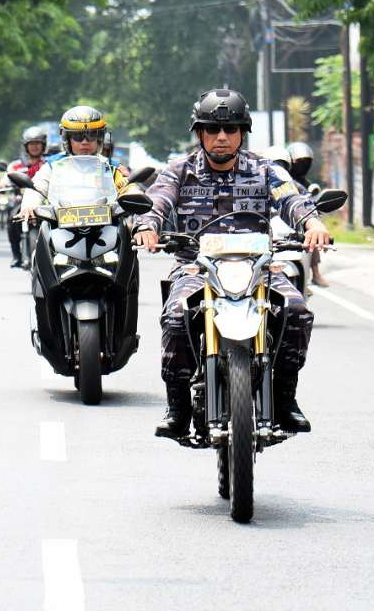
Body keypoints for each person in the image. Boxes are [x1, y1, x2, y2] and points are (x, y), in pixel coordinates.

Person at [133, 89, 330, 437]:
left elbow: (291, 199)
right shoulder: (179, 171)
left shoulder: (264, 169)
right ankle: (177, 405)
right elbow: (157, 202)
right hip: (197, 268)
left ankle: (286, 399)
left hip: (258, 269)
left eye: (231, 129)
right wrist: (147, 227)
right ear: (199, 133)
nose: (222, 137)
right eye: (212, 129)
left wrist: (312, 224)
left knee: (297, 310)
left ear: (242, 133)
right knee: (176, 316)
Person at [19, 106, 131, 219]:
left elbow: (129, 188)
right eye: (78, 136)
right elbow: (37, 187)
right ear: (67, 139)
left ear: (99, 138)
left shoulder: (111, 166)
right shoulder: (53, 165)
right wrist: (29, 206)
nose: (85, 142)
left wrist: (135, 195)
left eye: (91, 135)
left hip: (106, 227)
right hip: (59, 227)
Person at [287, 141, 329, 287]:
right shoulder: (279, 180)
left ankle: (315, 273)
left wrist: (314, 221)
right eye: (299, 161)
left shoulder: (306, 184)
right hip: (278, 223)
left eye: (306, 162)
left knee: (312, 237)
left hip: (299, 222)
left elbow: (311, 202)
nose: (302, 165)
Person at [5, 125, 47, 267]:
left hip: (45, 203)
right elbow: (5, 180)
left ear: (43, 145)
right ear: (26, 146)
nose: (34, 147)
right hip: (21, 202)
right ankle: (16, 255)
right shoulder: (16, 166)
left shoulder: (49, 164)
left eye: (38, 143)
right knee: (11, 219)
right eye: (31, 144)